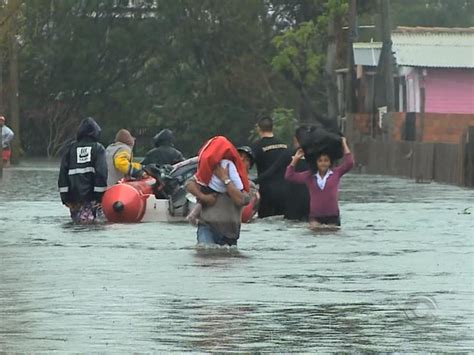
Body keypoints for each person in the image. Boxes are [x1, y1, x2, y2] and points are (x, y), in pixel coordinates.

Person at [186, 137, 251, 247]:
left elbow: (240, 200)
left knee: (226, 260)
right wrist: (204, 197)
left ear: (250, 165)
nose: (242, 160)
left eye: (246, 159)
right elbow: (189, 184)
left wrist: (225, 179)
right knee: (205, 256)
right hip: (207, 227)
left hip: (230, 233)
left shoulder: (247, 185)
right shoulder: (209, 173)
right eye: (240, 156)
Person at [285, 137, 354, 228]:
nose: (323, 163)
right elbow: (289, 176)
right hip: (315, 216)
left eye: (326, 161)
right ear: (316, 162)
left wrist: (344, 144)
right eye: (320, 161)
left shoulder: (336, 173)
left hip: (332, 216)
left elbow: (349, 163)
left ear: (330, 162)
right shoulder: (309, 176)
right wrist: (296, 159)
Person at [58, 117, 108, 224]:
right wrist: (99, 197)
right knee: (93, 226)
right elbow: (101, 173)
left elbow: (63, 174)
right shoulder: (98, 148)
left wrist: (65, 198)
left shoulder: (70, 148)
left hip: (73, 200)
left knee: (77, 224)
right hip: (92, 199)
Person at [252, 116, 292, 218]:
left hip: (267, 193)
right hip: (286, 192)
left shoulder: (257, 146)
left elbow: (248, 165)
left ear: (258, 129)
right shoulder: (285, 145)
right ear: (272, 127)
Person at [283, 127, 311, 221]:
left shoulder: (288, 154)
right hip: (310, 199)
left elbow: (274, 170)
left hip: (292, 200)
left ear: (295, 139)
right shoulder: (315, 157)